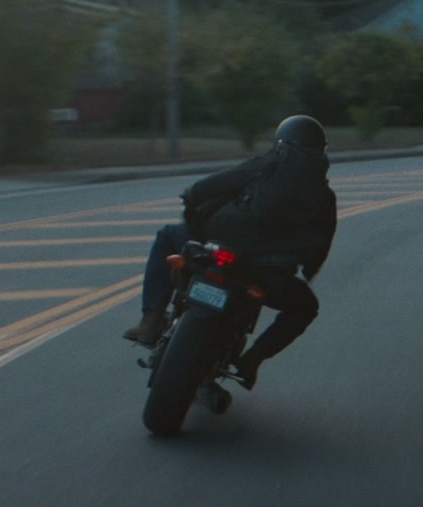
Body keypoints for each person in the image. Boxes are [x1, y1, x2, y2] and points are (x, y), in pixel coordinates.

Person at [123, 115, 338, 388]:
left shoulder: (267, 164)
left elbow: (217, 184)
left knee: (167, 236)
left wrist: (191, 196)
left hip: (225, 248)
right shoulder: (324, 197)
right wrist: (307, 269)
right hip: (267, 274)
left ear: (280, 142)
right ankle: (253, 360)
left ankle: (150, 321)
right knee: (306, 307)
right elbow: (320, 246)